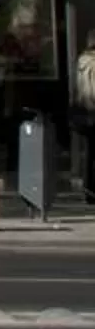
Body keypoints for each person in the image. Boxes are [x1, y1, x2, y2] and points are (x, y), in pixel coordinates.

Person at [73, 29, 95, 201]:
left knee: (89, 153)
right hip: (93, 109)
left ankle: (89, 189)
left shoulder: (82, 60)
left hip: (86, 112)